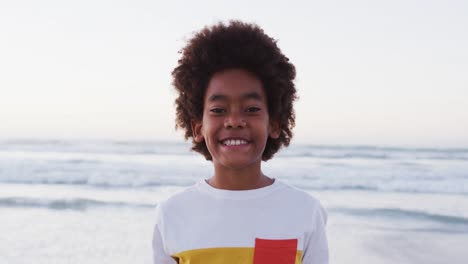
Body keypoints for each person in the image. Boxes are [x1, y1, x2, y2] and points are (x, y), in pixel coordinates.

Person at [152, 20, 329, 264]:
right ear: (198, 127)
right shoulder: (172, 215)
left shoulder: (304, 212)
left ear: (274, 124)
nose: (234, 121)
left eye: (252, 108)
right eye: (218, 109)